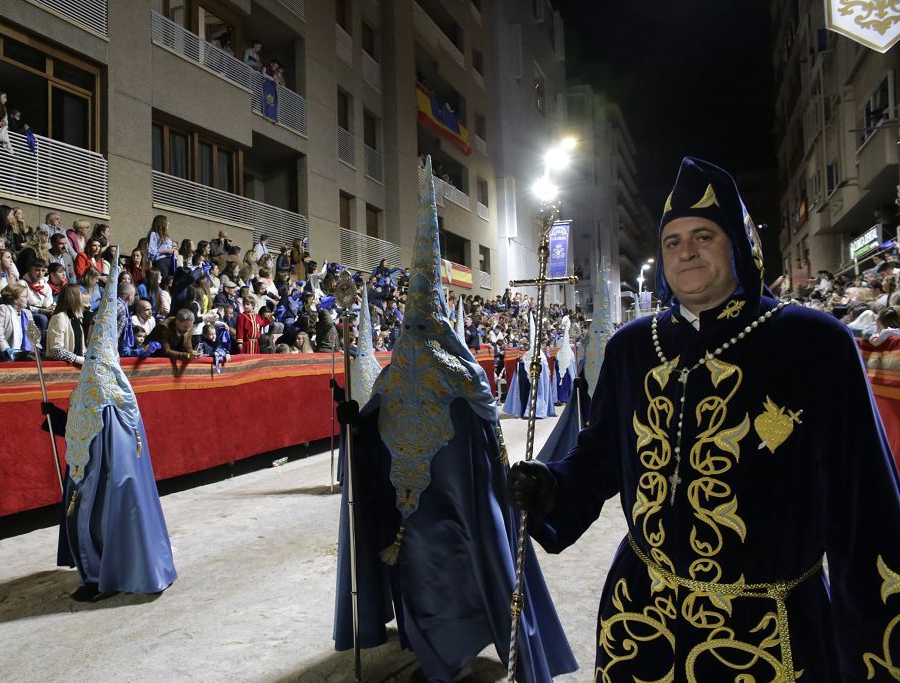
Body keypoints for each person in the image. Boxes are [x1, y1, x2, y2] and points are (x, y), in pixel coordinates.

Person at [508, 157, 900, 682]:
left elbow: (863, 507)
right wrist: (551, 485)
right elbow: (601, 457)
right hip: (640, 620)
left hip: (765, 637)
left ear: (739, 245)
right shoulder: (631, 348)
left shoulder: (814, 342)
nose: (685, 251)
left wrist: (872, 651)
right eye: (672, 241)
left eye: (703, 236)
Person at [332, 159, 576, 682]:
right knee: (418, 575)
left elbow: (488, 425)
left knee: (465, 572)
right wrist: (354, 420)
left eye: (427, 320)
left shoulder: (461, 371)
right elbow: (373, 420)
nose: (418, 332)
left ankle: (453, 654)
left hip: (461, 504)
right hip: (411, 507)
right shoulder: (396, 374)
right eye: (412, 323)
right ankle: (433, 659)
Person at [54, 249, 177, 601]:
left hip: (106, 474)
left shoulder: (114, 390)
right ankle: (91, 574)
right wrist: (58, 419)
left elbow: (116, 436)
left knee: (101, 519)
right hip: (84, 470)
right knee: (84, 519)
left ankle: (102, 576)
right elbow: (83, 423)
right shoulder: (88, 382)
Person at [0, 283, 35, 360]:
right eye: (24, 296)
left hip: (26, 355)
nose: (27, 299)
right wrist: (9, 355)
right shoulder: (2, 310)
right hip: (7, 355)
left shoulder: (27, 313)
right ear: (14, 299)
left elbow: (33, 337)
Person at [45, 284, 87, 366]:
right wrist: (78, 359)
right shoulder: (59, 318)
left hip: (77, 367)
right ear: (74, 298)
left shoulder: (76, 317)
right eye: (80, 295)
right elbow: (56, 350)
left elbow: (81, 347)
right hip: (61, 369)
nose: (82, 298)